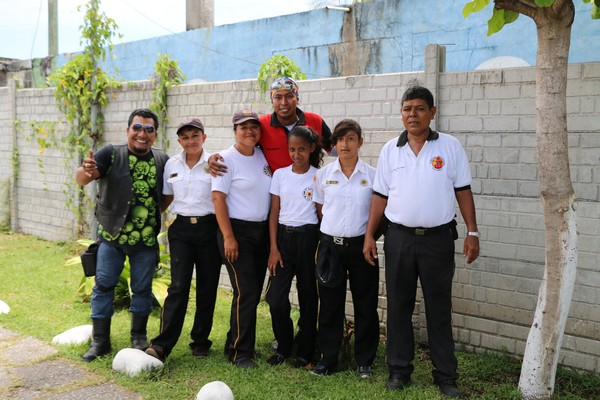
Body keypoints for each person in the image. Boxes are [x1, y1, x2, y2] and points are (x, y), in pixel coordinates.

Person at [362, 85, 480, 397]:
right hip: (399, 238)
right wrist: (369, 235)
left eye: (419, 108)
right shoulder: (391, 150)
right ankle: (399, 370)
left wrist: (472, 232)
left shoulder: (450, 147)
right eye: (407, 109)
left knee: (439, 308)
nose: (412, 114)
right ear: (401, 113)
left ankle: (446, 375)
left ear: (432, 112)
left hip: (437, 240)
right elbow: (379, 196)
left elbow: (463, 190)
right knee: (398, 306)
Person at [75, 108, 170, 362]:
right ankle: (100, 341)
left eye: (149, 129)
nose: (142, 134)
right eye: (137, 128)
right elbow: (82, 178)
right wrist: (86, 171)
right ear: (127, 130)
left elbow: (167, 195)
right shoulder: (110, 153)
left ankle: (138, 338)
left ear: (155, 134)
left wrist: (150, 216)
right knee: (103, 286)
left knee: (142, 289)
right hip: (111, 239)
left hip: (145, 242)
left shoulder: (162, 160)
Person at [145, 117, 221, 363]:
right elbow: (166, 197)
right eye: (185, 137)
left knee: (207, 287)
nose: (190, 141)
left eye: (195, 136)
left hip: (209, 229)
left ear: (203, 137)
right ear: (179, 141)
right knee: (178, 287)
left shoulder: (215, 163)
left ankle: (200, 341)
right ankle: (162, 344)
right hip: (181, 230)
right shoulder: (172, 164)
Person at [310, 119, 379, 379]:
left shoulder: (372, 175)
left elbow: (379, 213)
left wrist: (369, 238)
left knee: (366, 305)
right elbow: (321, 210)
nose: (344, 144)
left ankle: (365, 362)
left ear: (360, 142)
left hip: (362, 248)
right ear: (334, 144)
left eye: (350, 138)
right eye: (339, 139)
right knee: (330, 306)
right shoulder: (324, 175)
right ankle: (328, 359)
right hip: (331, 248)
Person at [211, 109, 272, 369]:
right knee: (245, 291)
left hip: (261, 233)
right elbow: (218, 198)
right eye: (243, 127)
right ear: (234, 131)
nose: (249, 131)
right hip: (236, 233)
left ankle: (233, 342)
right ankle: (240, 353)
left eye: (253, 126)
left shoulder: (263, 156)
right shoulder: (226, 159)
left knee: (252, 292)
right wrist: (229, 237)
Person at [264, 126, 324, 368]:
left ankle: (305, 351)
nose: (296, 154)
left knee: (308, 298)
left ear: (311, 149)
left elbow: (321, 213)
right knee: (276, 299)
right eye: (292, 149)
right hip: (283, 240)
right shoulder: (280, 175)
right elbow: (274, 213)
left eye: (301, 149)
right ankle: (283, 345)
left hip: (309, 239)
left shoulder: (319, 176)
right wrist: (273, 248)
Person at [209, 77, 332, 174]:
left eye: (289, 96)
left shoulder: (315, 120)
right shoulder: (262, 125)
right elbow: (243, 147)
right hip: (276, 192)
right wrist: (216, 157)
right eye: (278, 97)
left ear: (297, 98)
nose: (284, 102)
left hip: (310, 189)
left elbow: (334, 150)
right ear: (272, 101)